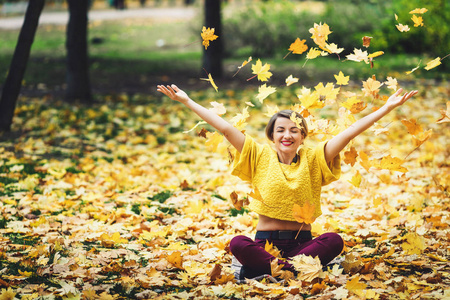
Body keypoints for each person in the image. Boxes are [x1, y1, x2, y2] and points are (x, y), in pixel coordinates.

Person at [156, 84, 418, 280]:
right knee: (237, 243)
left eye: (294, 129)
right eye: (280, 129)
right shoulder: (258, 155)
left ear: (302, 135)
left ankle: (271, 270)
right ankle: (290, 269)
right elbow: (225, 129)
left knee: (334, 240)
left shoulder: (316, 158)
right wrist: (187, 101)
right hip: (264, 243)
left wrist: (387, 107)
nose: (287, 134)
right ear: (272, 135)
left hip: (301, 243)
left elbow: (349, 134)